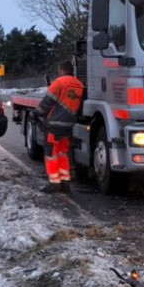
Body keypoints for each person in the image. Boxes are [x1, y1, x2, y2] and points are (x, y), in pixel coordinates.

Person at [33, 62, 85, 194]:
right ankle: (65, 182)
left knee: (51, 154)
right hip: (68, 125)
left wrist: (37, 113)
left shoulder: (59, 82)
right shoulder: (79, 84)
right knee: (63, 153)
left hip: (54, 125)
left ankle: (54, 183)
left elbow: (47, 102)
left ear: (61, 70)